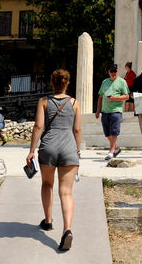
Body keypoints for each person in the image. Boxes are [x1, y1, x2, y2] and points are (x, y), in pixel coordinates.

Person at [27, 69, 82, 251]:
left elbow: (38, 126)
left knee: (47, 184)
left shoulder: (43, 102)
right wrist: (78, 150)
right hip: (69, 148)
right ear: (67, 84)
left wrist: (31, 151)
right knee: (66, 192)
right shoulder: (74, 103)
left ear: (52, 83)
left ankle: (48, 221)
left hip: (48, 148)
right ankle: (67, 230)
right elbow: (77, 130)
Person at [96, 63, 130, 161]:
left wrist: (115, 98)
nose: (113, 73)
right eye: (112, 71)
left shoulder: (122, 82)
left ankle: (111, 152)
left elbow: (127, 96)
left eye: (115, 71)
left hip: (116, 111)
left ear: (117, 72)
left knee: (114, 131)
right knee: (107, 133)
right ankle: (116, 148)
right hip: (105, 111)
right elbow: (100, 96)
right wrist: (98, 110)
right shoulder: (105, 82)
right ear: (109, 72)